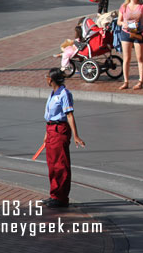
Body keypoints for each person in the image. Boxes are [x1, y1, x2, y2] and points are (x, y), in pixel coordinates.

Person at [41, 68, 85, 208]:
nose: (46, 79)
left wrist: (76, 135)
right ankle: (54, 194)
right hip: (51, 129)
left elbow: (70, 115)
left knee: (60, 164)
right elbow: (50, 117)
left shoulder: (64, 94)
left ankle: (61, 197)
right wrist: (46, 134)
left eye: (47, 77)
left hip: (60, 130)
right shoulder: (53, 93)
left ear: (51, 79)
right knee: (52, 164)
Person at [118, 0, 143, 90]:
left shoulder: (141, 6)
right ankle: (126, 81)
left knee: (140, 58)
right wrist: (123, 23)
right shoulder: (124, 6)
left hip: (138, 33)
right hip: (126, 32)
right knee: (126, 58)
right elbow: (119, 21)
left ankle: (140, 81)